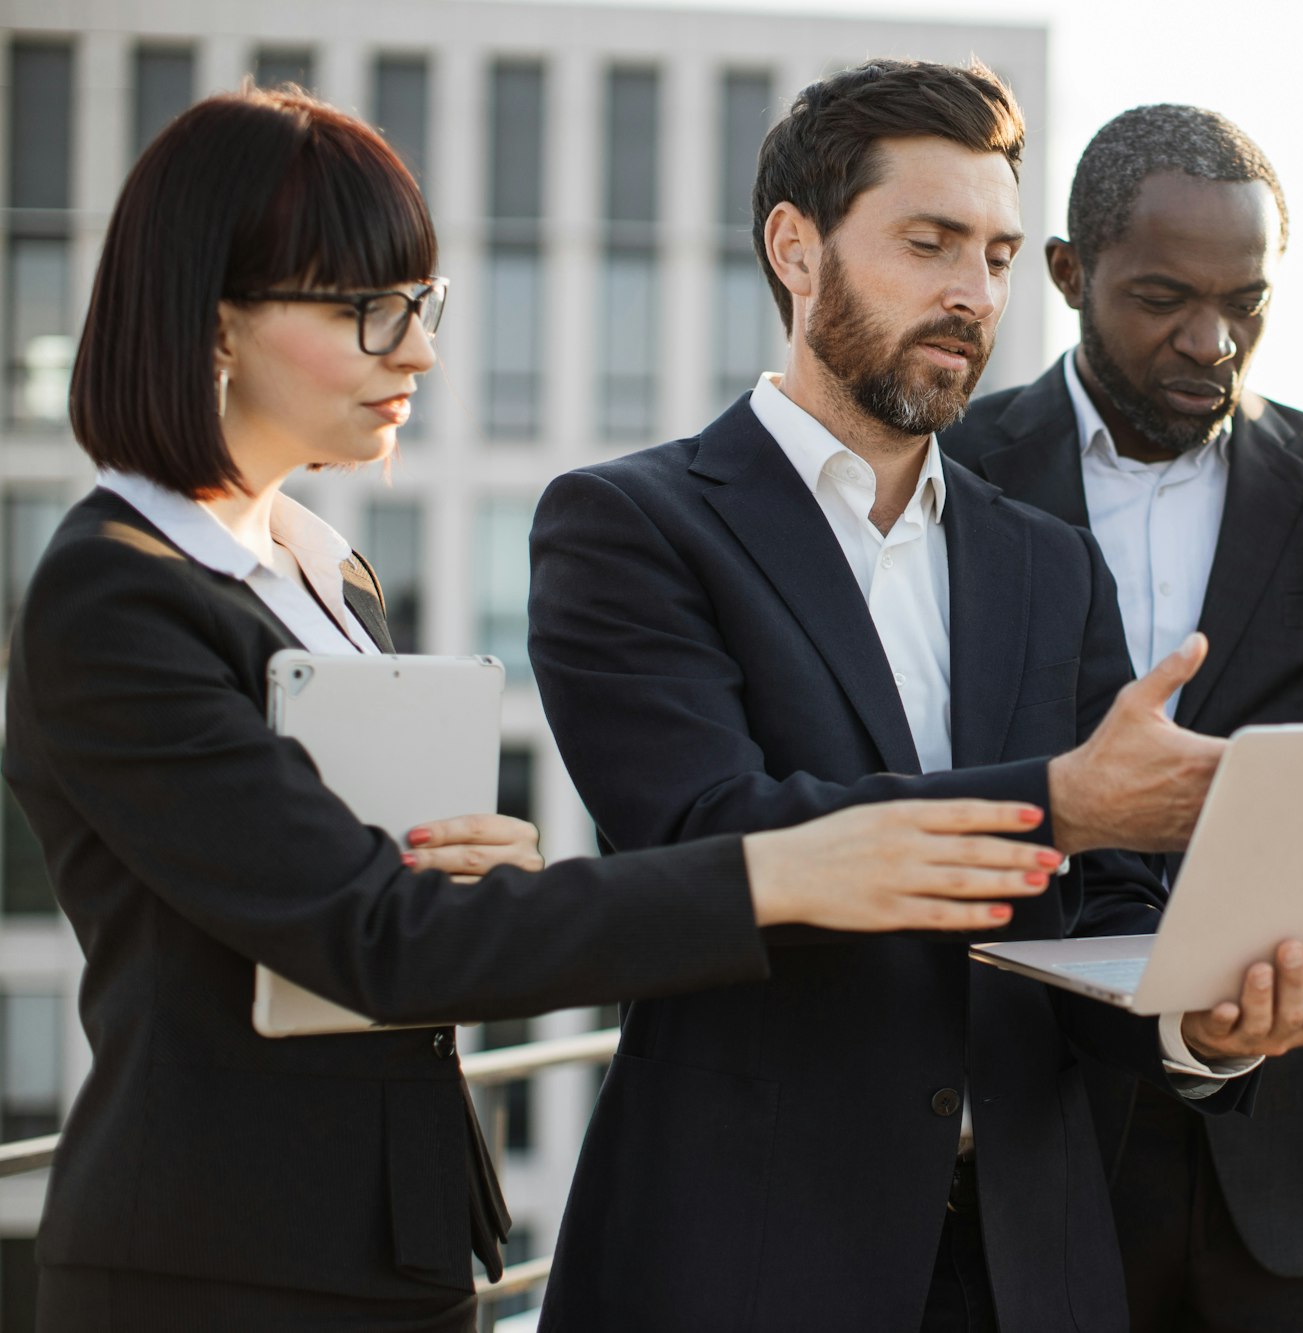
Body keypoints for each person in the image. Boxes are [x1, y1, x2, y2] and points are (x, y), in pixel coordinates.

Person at [3, 87, 1082, 1333]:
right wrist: (786, 870)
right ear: (214, 322)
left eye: (425, 307)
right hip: (210, 1262)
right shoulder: (114, 592)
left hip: (395, 1249)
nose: (418, 352)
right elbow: (378, 940)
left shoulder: (324, 569)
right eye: (371, 313)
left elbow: (356, 893)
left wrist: (476, 869)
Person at [527, 60, 1303, 1332]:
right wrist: (1062, 802)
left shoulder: (1046, 561)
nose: (969, 294)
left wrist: (1206, 1029)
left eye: (994, 255)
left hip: (1032, 1263)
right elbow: (706, 832)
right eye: (928, 242)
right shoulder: (630, 524)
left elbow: (1095, 912)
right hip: (753, 1252)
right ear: (795, 247)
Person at [942, 105, 1303, 1332]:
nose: (1212, 341)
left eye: (1245, 302)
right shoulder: (948, 474)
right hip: (1029, 1149)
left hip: (1301, 1154)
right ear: (1065, 273)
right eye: (1161, 297)